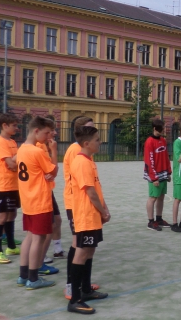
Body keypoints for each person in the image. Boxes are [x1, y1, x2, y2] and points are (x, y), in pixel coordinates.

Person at [67, 126, 109, 314]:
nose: (99, 142)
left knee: (89, 250)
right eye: (97, 139)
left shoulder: (89, 161)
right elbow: (90, 193)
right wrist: (102, 211)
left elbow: (96, 188)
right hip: (85, 214)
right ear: (87, 143)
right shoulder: (81, 162)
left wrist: (104, 208)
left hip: (92, 215)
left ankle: (85, 290)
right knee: (82, 252)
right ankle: (75, 299)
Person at [16, 116, 58, 289]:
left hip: (27, 199)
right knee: (38, 239)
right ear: (36, 131)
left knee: (30, 237)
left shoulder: (21, 149)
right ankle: (33, 278)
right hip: (39, 199)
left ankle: (23, 275)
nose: (49, 137)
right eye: (46, 133)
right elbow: (53, 170)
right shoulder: (37, 151)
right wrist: (54, 151)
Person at [63, 117, 100, 300]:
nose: (95, 133)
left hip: (86, 205)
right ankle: (72, 288)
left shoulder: (87, 155)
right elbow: (82, 184)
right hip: (76, 203)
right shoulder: (76, 152)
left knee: (85, 247)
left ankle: (84, 286)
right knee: (78, 245)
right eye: (90, 129)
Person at [0, 114, 20, 263]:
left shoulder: (12, 141)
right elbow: (12, 164)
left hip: (15, 184)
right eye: (14, 125)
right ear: (4, 126)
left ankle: (11, 246)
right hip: (4, 185)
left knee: (12, 214)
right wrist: (18, 156)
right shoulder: (0, 142)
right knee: (2, 216)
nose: (17, 128)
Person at [35, 121, 64, 269]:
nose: (54, 134)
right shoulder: (39, 147)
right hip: (41, 192)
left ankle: (57, 248)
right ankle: (40, 259)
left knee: (57, 220)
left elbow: (51, 171)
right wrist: (54, 151)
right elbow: (52, 170)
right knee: (48, 225)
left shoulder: (45, 146)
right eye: (51, 131)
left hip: (48, 189)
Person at [143, 119, 172, 231]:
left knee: (161, 197)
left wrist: (168, 172)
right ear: (155, 129)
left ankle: (159, 219)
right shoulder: (149, 142)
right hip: (153, 174)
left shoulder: (163, 141)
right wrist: (154, 177)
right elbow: (149, 161)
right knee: (153, 198)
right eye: (160, 129)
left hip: (163, 172)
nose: (162, 131)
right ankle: (151, 221)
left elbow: (166, 157)